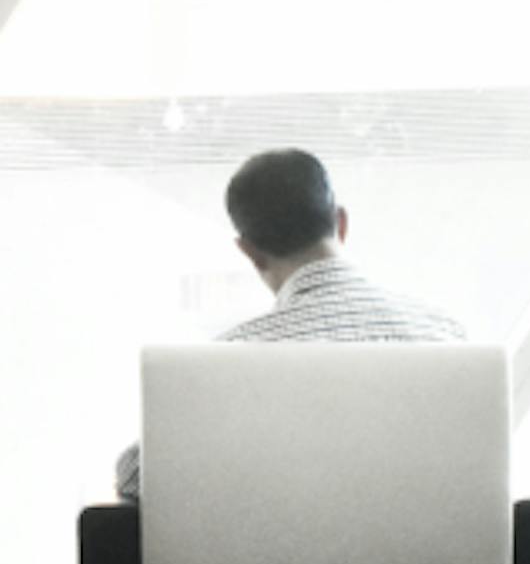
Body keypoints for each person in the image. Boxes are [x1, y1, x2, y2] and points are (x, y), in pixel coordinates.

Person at [115, 147, 464, 500]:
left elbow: (134, 477)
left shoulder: (225, 364)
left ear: (249, 252)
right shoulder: (445, 335)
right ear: (340, 223)